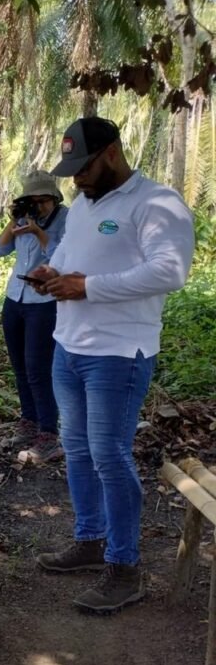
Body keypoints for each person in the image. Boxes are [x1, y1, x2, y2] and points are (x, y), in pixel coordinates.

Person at [28, 117, 195, 613]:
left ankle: (125, 568)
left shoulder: (156, 203)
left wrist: (88, 287)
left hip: (118, 355)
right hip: (69, 346)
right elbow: (70, 252)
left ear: (112, 154)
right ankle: (90, 540)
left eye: (82, 167)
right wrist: (52, 271)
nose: (75, 179)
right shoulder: (83, 205)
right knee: (77, 451)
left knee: (110, 456)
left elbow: (171, 270)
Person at [0, 170, 67, 462]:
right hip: (15, 298)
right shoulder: (23, 219)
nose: (39, 206)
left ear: (54, 197)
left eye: (43, 200)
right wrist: (15, 219)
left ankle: (49, 434)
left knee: (39, 369)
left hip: (45, 301)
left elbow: (63, 256)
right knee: (20, 366)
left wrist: (39, 232)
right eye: (32, 201)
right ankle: (29, 421)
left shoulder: (67, 219)